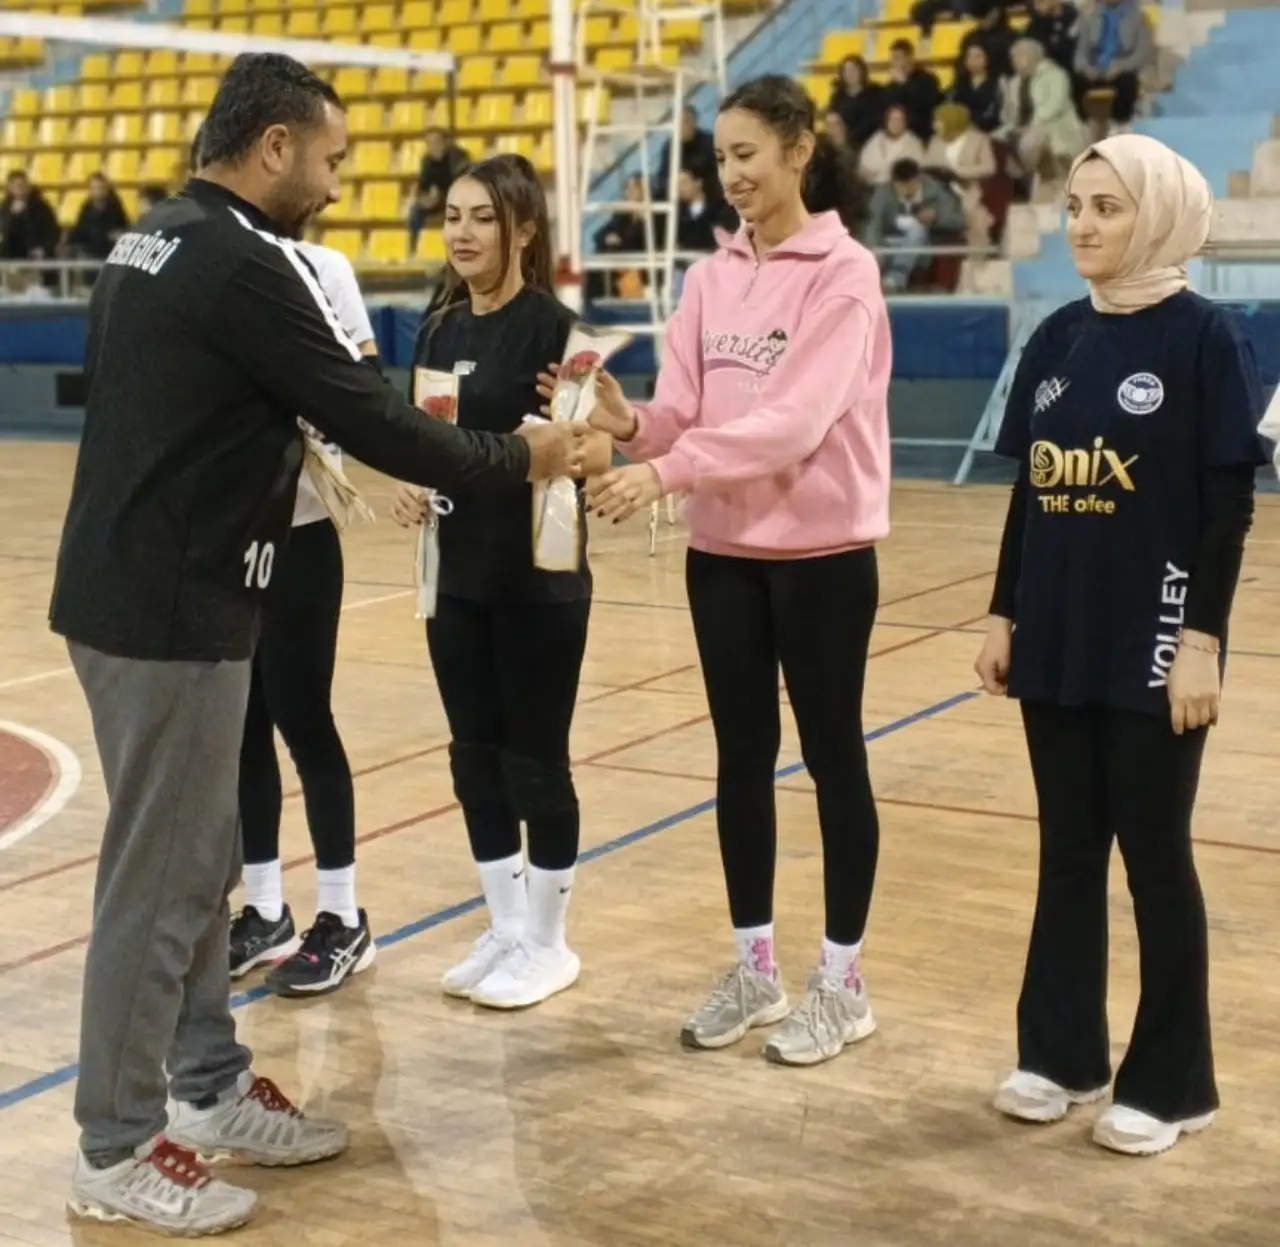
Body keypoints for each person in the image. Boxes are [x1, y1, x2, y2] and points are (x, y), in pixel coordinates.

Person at [49, 53, 596, 1237]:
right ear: (276, 146)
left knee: (197, 864)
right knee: (159, 880)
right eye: (332, 158)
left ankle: (206, 1082)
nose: (340, 183)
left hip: (156, 593)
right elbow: (371, 418)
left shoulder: (156, 237)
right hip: (168, 612)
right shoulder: (244, 264)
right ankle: (115, 1144)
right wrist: (527, 456)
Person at [583, 74, 892, 1067]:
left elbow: (793, 422)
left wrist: (663, 472)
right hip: (722, 558)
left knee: (834, 758)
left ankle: (842, 983)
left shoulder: (844, 274)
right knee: (739, 759)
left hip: (822, 558)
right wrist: (628, 422)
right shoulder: (709, 278)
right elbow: (682, 411)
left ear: (799, 151)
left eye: (748, 154)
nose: (732, 175)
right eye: (721, 158)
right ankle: (755, 968)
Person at [974, 135, 1268, 1156]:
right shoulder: (1057, 337)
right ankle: (1061, 1056)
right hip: (1056, 637)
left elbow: (1226, 513)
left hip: (1155, 642)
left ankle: (1171, 1084)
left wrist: (1201, 641)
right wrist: (1003, 613)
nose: (1083, 225)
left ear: (1158, 216)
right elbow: (1029, 493)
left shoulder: (1206, 339)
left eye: (1107, 206)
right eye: (1074, 206)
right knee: (1066, 853)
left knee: (1153, 858)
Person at [390, 155, 607, 1010]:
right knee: (473, 759)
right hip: (456, 578)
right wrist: (410, 480)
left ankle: (549, 943)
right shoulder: (438, 330)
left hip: (538, 585)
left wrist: (567, 449)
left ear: (521, 229)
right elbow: (427, 438)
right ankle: (509, 927)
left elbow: (593, 448)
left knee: (536, 764)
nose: (463, 232)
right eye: (453, 216)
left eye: (482, 217)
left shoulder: (561, 331)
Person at [229, 234, 380, 996]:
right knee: (242, 724)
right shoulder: (218, 259)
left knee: (303, 718)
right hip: (229, 536)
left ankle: (343, 916)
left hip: (303, 533)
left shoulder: (325, 269)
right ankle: (264, 909)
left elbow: (364, 384)